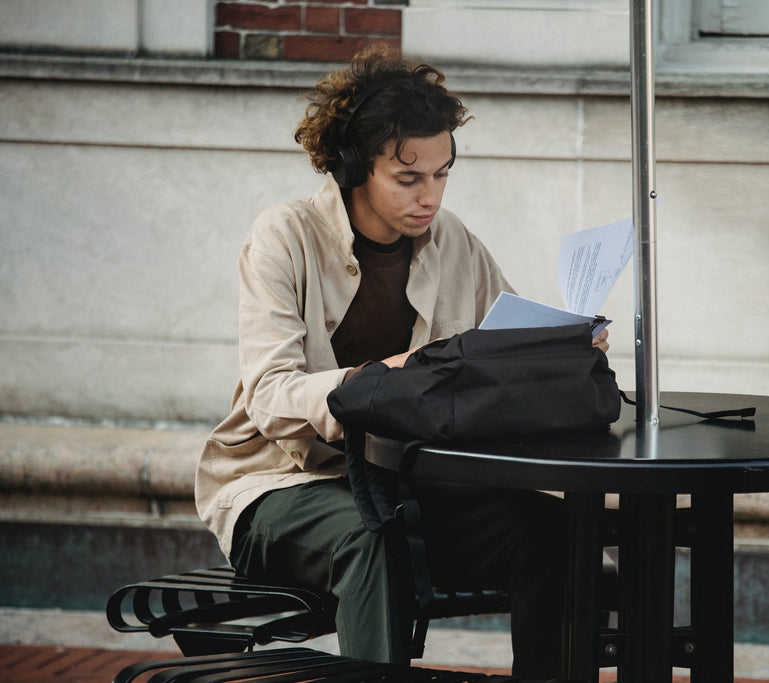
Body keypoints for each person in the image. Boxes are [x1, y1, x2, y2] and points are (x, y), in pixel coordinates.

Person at [195, 45, 609, 679]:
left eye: (442, 174)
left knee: (557, 535)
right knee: (371, 536)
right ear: (356, 167)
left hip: (405, 484)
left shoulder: (454, 244)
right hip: (279, 485)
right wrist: (388, 376)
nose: (430, 196)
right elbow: (272, 396)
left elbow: (496, 350)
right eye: (409, 178)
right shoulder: (285, 236)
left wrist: (559, 350)